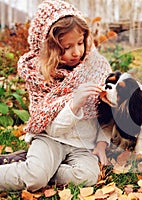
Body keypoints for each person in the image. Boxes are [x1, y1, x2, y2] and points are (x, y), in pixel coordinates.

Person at [0, 0, 112, 192]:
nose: (76, 52)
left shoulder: (97, 68)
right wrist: (74, 104)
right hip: (50, 138)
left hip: (82, 145)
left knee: (88, 177)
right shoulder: (39, 76)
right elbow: (50, 128)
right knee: (35, 179)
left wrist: (102, 143)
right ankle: (35, 170)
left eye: (79, 43)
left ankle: (35, 167)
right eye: (66, 47)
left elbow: (107, 114)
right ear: (48, 47)